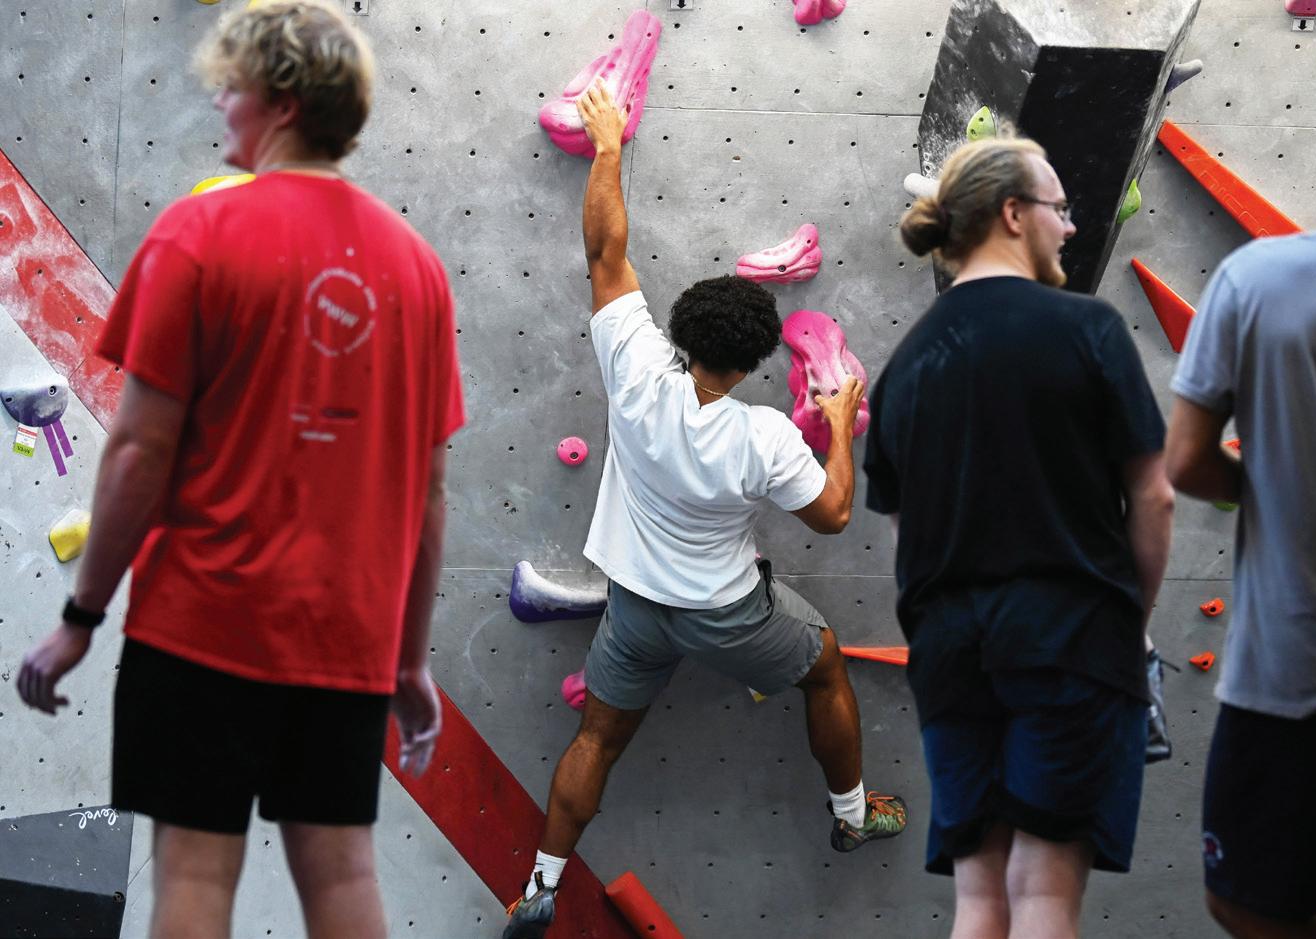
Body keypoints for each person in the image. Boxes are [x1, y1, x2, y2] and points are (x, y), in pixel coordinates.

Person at [16, 3, 463, 937]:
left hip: (201, 623)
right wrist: (408, 661)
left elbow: (138, 450)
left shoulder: (199, 234)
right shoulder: (416, 269)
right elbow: (426, 497)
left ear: (282, 102)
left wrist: (80, 618)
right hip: (343, 636)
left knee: (192, 871)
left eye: (232, 85)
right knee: (342, 876)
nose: (221, 101)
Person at [502, 82, 907, 939]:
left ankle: (538, 885)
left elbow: (605, 251)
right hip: (726, 613)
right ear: (757, 362)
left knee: (596, 739)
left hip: (634, 610)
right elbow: (834, 514)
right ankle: (852, 814)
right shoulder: (762, 436)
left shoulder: (636, 370)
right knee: (825, 668)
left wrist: (607, 147)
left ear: (681, 331)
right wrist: (838, 427)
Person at [864, 135, 1174, 939]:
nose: (1068, 227)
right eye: (1058, 208)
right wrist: (1127, 624)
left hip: (949, 653)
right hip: (1070, 638)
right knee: (1042, 895)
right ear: (1012, 213)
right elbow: (1154, 496)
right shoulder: (1087, 329)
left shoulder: (904, 367)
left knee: (979, 901)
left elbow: (904, 541)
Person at [1166, 49, 1316, 939]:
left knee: (1247, 901)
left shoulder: (1257, 280)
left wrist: (1261, 488)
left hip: (1296, 656)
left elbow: (1186, 461)